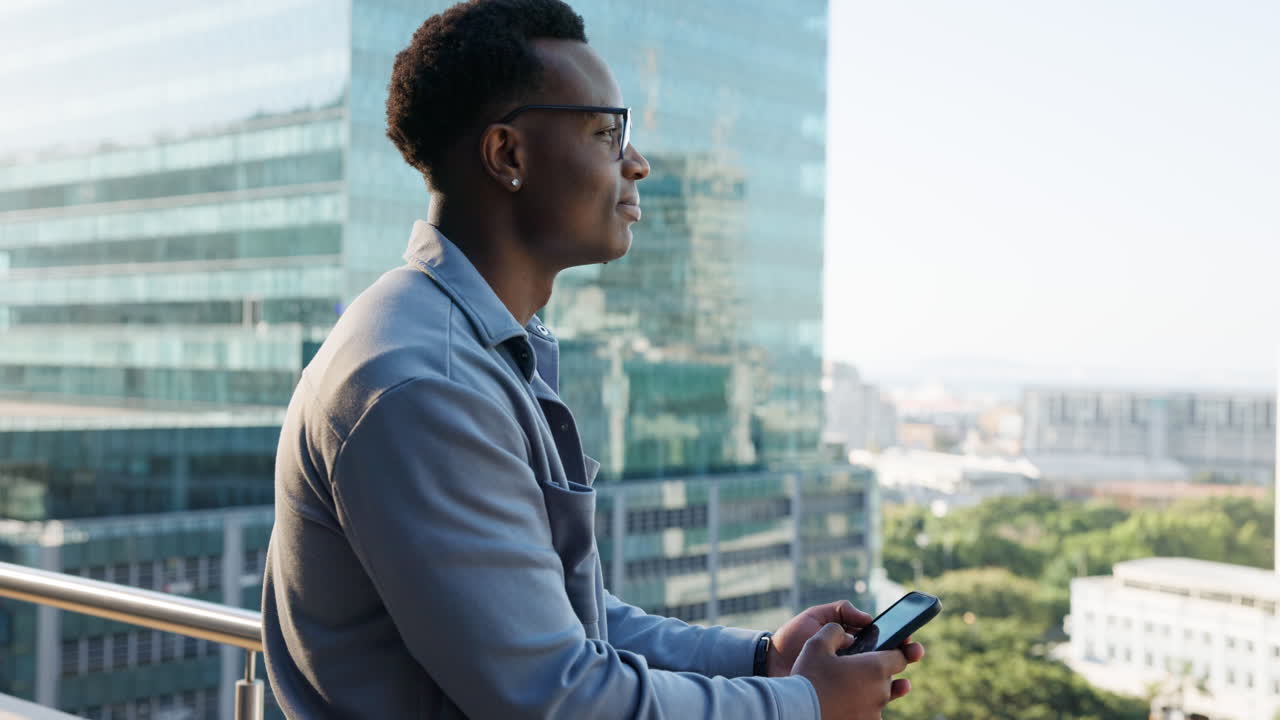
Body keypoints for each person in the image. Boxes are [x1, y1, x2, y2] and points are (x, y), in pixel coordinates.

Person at [261, 0, 924, 717]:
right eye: (608, 132)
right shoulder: (427, 383)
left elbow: (561, 620)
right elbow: (558, 697)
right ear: (508, 154)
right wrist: (802, 706)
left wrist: (763, 659)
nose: (636, 163)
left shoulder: (467, 343)